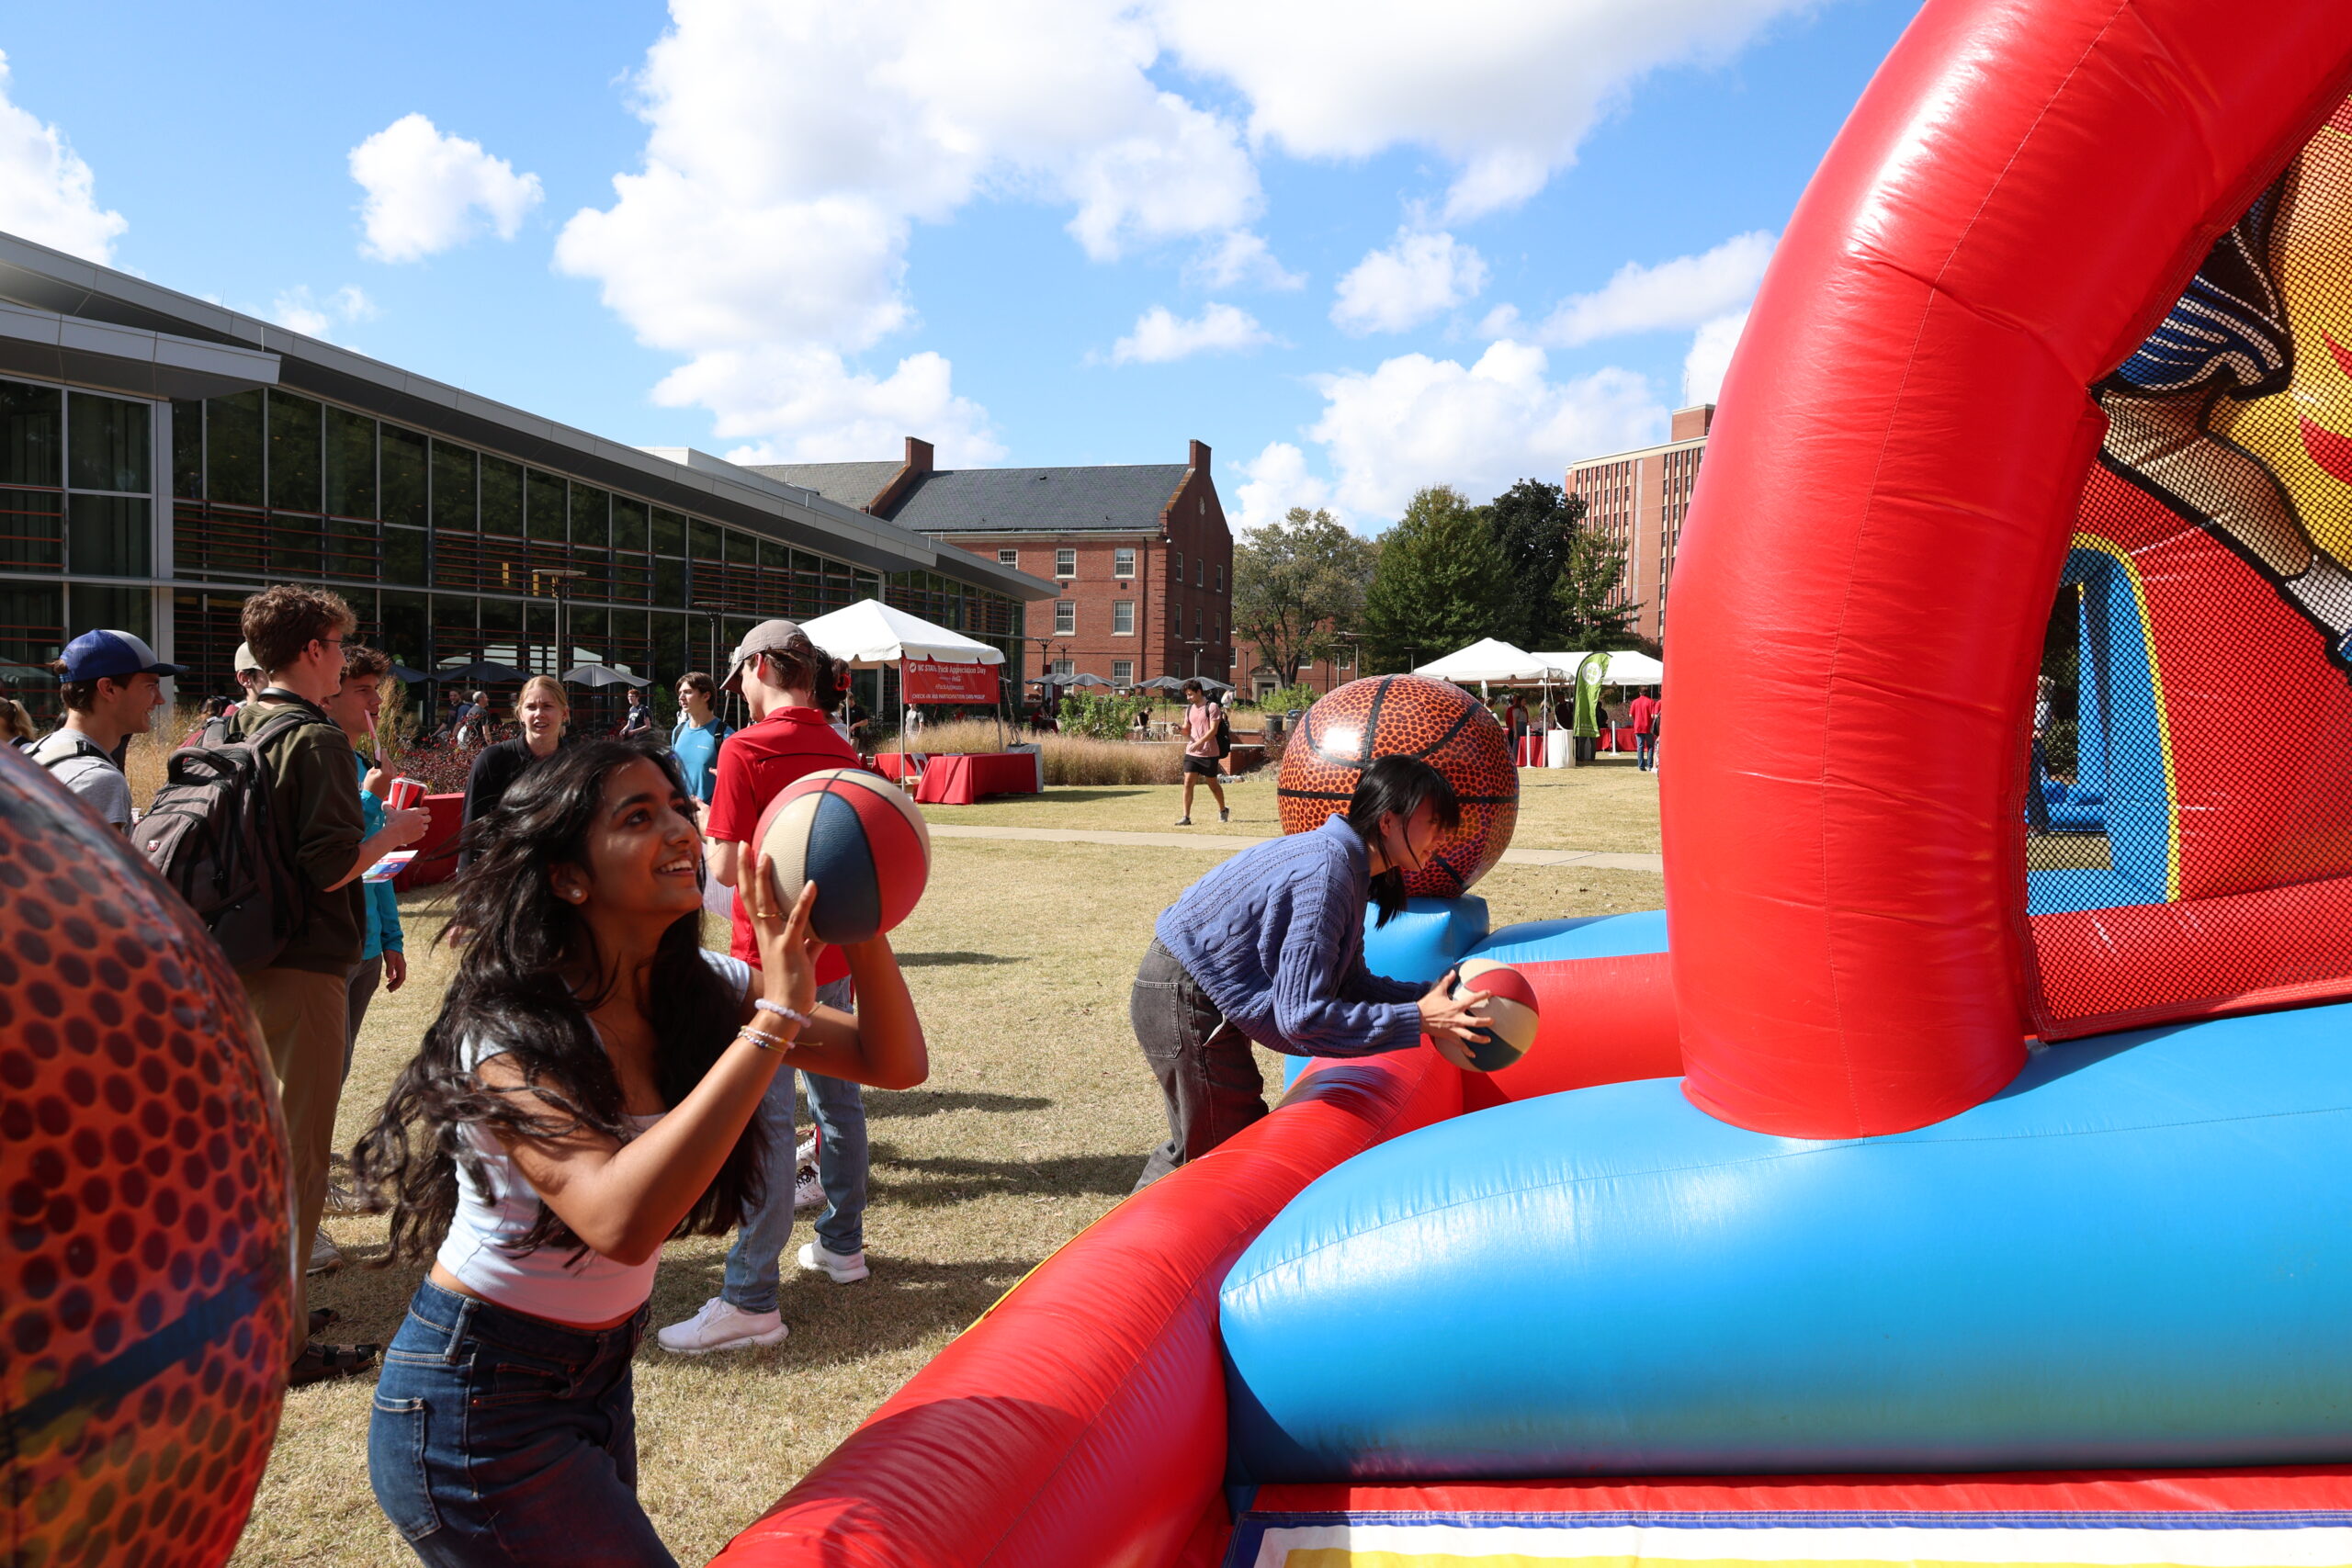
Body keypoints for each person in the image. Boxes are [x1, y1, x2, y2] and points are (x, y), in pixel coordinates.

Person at [354, 741, 926, 1564]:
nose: (681, 831)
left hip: (595, 1373)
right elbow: (618, 1219)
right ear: (568, 878)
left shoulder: (701, 986)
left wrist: (855, 913)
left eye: (676, 807)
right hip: (476, 1397)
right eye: (637, 816)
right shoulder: (505, 1030)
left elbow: (893, 1060)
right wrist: (775, 1020)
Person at [230, 586, 429, 1383]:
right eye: (340, 646)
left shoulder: (241, 722)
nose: (347, 660)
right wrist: (392, 832)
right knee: (299, 1156)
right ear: (312, 649)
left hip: (245, 957)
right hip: (305, 965)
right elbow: (327, 868)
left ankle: (249, 1312)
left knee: (258, 1149)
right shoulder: (311, 740)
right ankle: (283, 1344)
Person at [1132, 755, 1496, 1187]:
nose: (1444, 837)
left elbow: (1350, 983)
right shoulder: (1328, 872)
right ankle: (1113, 1255)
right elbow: (1303, 1018)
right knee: (1217, 1155)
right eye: (1434, 822)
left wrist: (1428, 996)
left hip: (1194, 990)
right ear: (1388, 821)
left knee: (1209, 1145)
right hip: (1184, 993)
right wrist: (1418, 1018)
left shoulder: (1349, 866)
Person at [660, 619, 873, 1355]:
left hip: (766, 961)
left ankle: (751, 1294)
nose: (738, 694)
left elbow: (721, 870)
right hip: (834, 954)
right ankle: (842, 1243)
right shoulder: (842, 746)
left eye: (740, 679)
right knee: (838, 1105)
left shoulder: (744, 748)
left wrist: (700, 823)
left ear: (758, 667)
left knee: (770, 1123)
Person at [314, 643, 410, 1272]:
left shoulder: (350, 758)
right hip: (329, 948)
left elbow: (376, 875)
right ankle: (300, 1204)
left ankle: (313, 1179)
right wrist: (373, 800)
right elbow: (342, 855)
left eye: (378, 690)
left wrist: (393, 938)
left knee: (336, 1074)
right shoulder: (325, 761)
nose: (377, 702)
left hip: (364, 946)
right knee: (314, 1081)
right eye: (366, 691)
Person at [28, 628, 178, 833]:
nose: (160, 699)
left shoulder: (35, 753)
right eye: (151, 685)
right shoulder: (99, 780)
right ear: (108, 688)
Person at [461, 676, 570, 869]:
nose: (539, 714)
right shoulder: (492, 761)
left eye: (547, 706)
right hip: (505, 881)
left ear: (564, 713)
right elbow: (472, 834)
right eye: (531, 707)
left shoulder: (577, 762)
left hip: (563, 883)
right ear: (519, 714)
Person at [1174, 679, 1228, 827]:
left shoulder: (1212, 707)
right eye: (1187, 695)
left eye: (1190, 694)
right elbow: (1187, 730)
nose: (1188, 698)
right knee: (1188, 783)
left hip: (1209, 753)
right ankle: (1186, 817)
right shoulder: (1189, 709)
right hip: (1192, 753)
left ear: (1199, 692)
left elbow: (1213, 731)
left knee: (1212, 784)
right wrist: (1179, 729)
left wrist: (1198, 743)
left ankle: (1223, 810)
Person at [670, 671, 729, 804]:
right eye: (680, 693)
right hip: (681, 815)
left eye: (688, 692)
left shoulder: (725, 736)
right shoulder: (677, 732)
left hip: (708, 818)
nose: (681, 697)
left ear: (706, 696)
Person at [2027, 671, 2055, 836]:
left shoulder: (2042, 706)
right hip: (2034, 746)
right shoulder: (2040, 705)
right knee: (2033, 787)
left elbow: (2039, 732)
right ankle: (2040, 822)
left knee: (2032, 787)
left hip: (2034, 746)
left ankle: (2037, 824)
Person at [1630, 686, 1662, 773]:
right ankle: (1650, 765)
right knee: (1650, 746)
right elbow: (1653, 716)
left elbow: (1630, 715)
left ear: (1639, 693)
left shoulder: (1635, 702)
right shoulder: (1651, 702)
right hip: (1648, 727)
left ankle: (1641, 766)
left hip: (1637, 726)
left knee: (1640, 746)